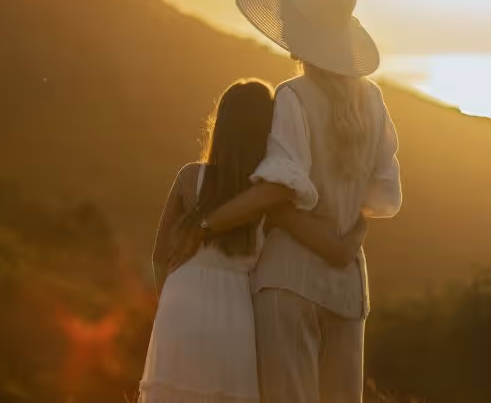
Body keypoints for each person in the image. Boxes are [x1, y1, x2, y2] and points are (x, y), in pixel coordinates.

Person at [171, 0, 403, 403]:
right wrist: (346, 238)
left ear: (300, 31)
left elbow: (279, 189)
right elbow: (381, 196)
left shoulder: (293, 97)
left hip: (287, 280)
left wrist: (205, 225)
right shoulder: (373, 100)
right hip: (348, 285)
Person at [140, 78, 368, 403]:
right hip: (236, 312)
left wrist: (170, 305)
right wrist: (360, 220)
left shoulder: (189, 178)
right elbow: (335, 249)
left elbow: (159, 256)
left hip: (180, 305)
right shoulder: (264, 199)